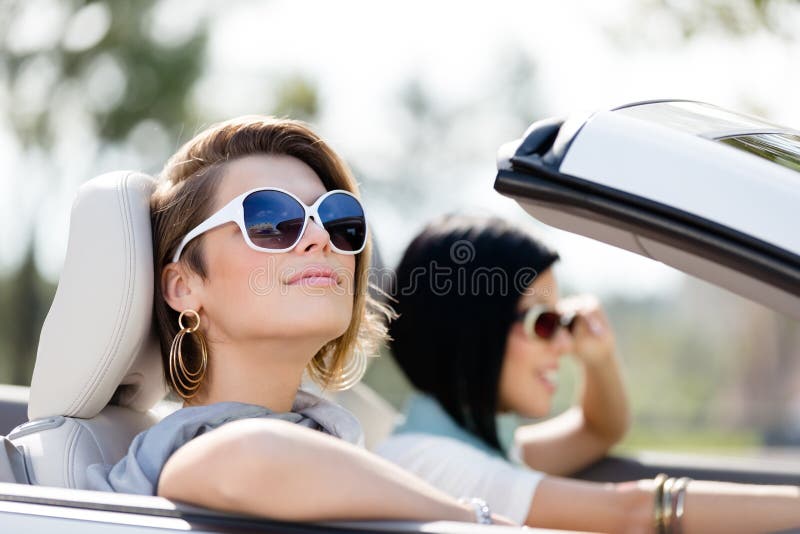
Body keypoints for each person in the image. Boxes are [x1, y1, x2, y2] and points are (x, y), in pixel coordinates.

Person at [83, 117, 514, 526]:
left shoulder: (330, 441)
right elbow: (248, 456)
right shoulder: (180, 450)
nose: (321, 238)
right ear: (183, 286)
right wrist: (474, 522)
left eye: (338, 219)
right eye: (271, 221)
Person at [376, 213, 800, 534]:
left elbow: (599, 430)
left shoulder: (471, 446)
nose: (563, 344)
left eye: (563, 321)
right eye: (542, 323)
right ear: (472, 333)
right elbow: (630, 511)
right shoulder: (433, 463)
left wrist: (598, 357)